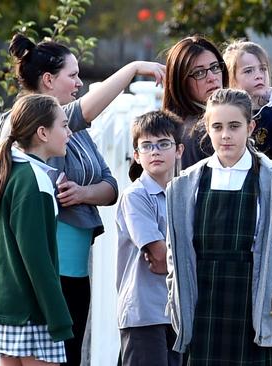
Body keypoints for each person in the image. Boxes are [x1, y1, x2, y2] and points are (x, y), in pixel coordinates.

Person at [0, 33, 166, 366]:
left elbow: (110, 185)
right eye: (72, 75)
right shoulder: (27, 125)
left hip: (77, 273)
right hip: (46, 273)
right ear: (48, 80)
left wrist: (82, 193)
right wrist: (133, 68)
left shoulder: (71, 130)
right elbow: (85, 110)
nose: (79, 82)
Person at [165, 88, 272, 365]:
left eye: (234, 126)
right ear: (207, 128)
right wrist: (175, 295)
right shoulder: (185, 184)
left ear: (250, 127)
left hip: (252, 307)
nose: (225, 135)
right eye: (217, 127)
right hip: (201, 306)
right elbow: (175, 251)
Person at [0, 94, 73, 365]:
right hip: (32, 311)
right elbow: (37, 259)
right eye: (63, 125)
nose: (69, 132)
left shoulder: (10, 171)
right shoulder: (33, 181)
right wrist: (59, 317)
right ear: (42, 133)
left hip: (8, 309)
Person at [115, 110, 184, 366]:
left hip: (178, 313)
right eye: (147, 146)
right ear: (136, 155)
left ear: (178, 150)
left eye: (163, 144)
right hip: (144, 313)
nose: (155, 151)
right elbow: (157, 257)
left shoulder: (186, 194)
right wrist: (189, 261)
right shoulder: (136, 195)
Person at [223, 40, 272, 171]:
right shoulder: (221, 114)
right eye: (248, 71)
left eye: (263, 69)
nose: (259, 76)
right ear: (231, 79)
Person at [162, 35, 229, 169]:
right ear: (181, 83)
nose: (212, 77)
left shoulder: (172, 127)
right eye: (199, 73)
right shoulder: (203, 132)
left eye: (215, 67)